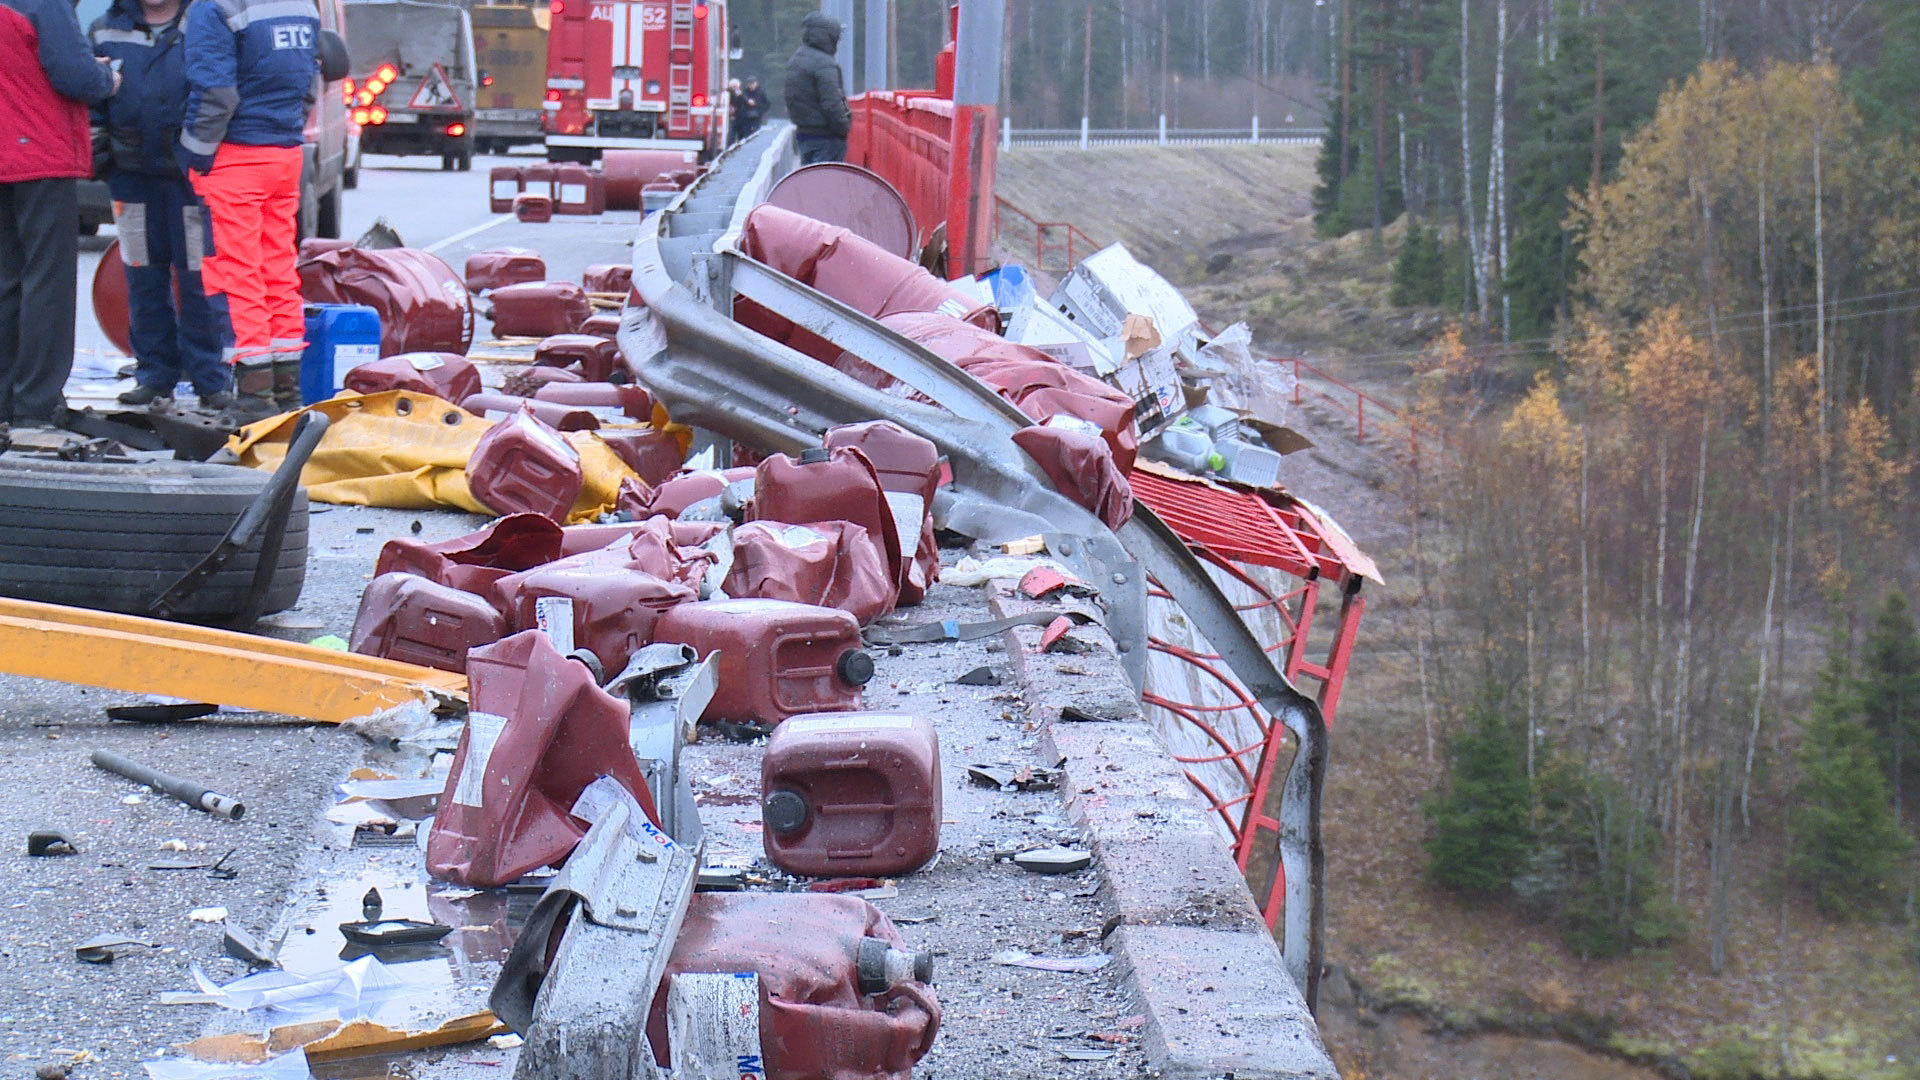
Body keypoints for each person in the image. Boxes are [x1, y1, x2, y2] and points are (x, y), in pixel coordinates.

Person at [179, 0, 317, 425]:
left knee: (237, 275)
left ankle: (254, 398)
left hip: (235, 157)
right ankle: (286, 391)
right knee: (278, 270)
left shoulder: (214, 8)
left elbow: (215, 92)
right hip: (285, 152)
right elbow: (308, 84)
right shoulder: (301, 7)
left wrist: (192, 152)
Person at [92, 0, 232, 409]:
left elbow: (218, 91)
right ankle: (154, 376)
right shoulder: (105, 29)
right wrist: (101, 155)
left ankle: (211, 381)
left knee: (198, 278)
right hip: (131, 176)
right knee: (143, 276)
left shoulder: (206, 24)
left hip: (190, 178)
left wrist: (200, 156)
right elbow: (92, 99)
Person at [0, 0, 119, 433]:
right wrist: (108, 76)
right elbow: (75, 75)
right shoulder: (43, 3)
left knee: (7, 281)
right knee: (46, 283)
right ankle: (36, 402)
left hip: (7, 154)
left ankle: (6, 399)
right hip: (39, 155)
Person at [783, 11, 849, 165]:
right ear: (828, 37)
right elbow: (833, 102)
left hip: (804, 133)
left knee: (811, 182)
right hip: (826, 137)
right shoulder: (824, 63)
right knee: (826, 184)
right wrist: (843, 127)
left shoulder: (796, 59)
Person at [735, 75, 768, 142]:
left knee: (756, 133)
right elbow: (739, 103)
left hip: (757, 116)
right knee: (746, 134)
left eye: (752, 83)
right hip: (746, 116)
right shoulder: (744, 92)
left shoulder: (761, 92)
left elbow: (767, 103)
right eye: (749, 83)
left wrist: (760, 110)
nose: (751, 85)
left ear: (756, 83)